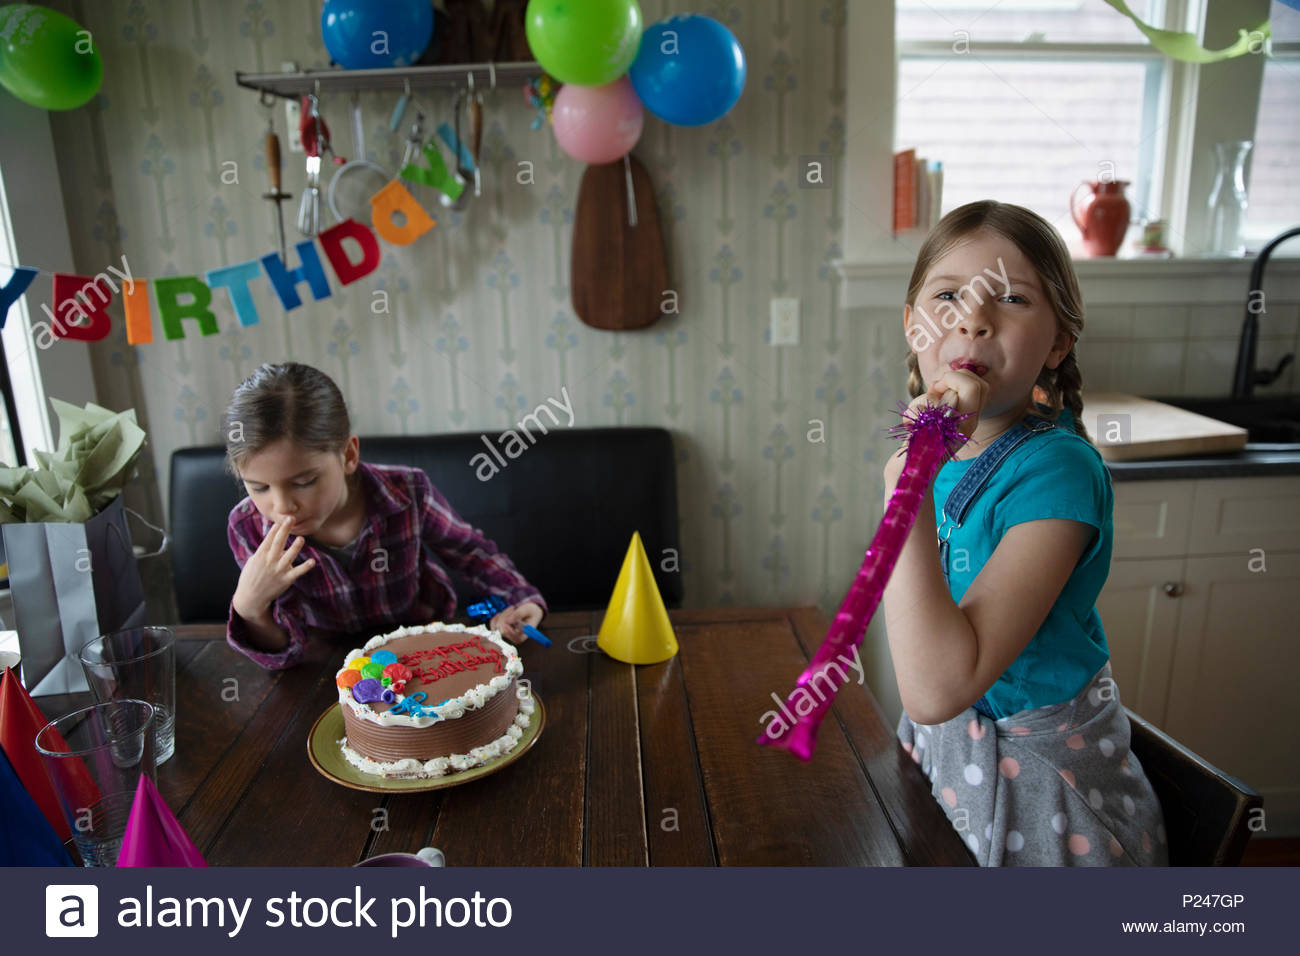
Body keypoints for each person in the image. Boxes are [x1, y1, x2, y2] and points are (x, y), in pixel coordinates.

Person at [880, 201, 1166, 866]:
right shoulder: (946, 458)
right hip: (949, 758)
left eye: (1010, 298)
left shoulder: (1057, 473)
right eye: (948, 295)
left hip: (1045, 791)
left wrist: (903, 487)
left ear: (1058, 342)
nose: (974, 317)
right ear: (913, 325)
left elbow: (932, 689)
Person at [222, 362, 545, 670]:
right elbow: (287, 653)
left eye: (304, 482)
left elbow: (472, 554)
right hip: (327, 664)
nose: (282, 506)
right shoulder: (249, 528)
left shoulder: (408, 491)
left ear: (348, 455)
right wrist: (250, 608)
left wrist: (523, 600)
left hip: (425, 646)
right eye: (259, 487)